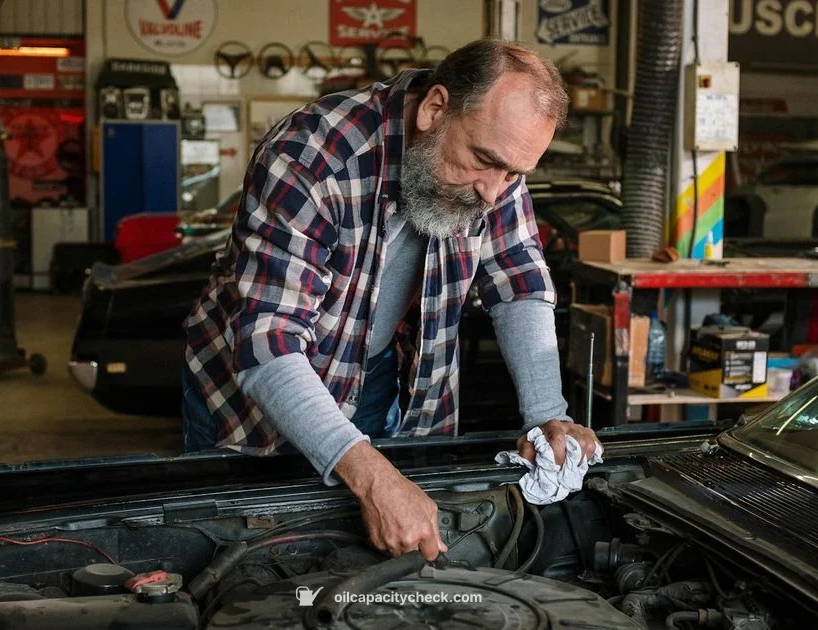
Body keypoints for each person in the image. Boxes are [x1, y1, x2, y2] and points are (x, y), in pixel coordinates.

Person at [181, 39, 601, 561]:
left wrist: (546, 415)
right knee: (252, 558)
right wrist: (373, 477)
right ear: (434, 109)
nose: (495, 193)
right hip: (251, 399)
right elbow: (269, 342)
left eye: (514, 174)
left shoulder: (495, 165)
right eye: (485, 162)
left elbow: (519, 280)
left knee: (369, 556)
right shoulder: (312, 156)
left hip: (377, 372)